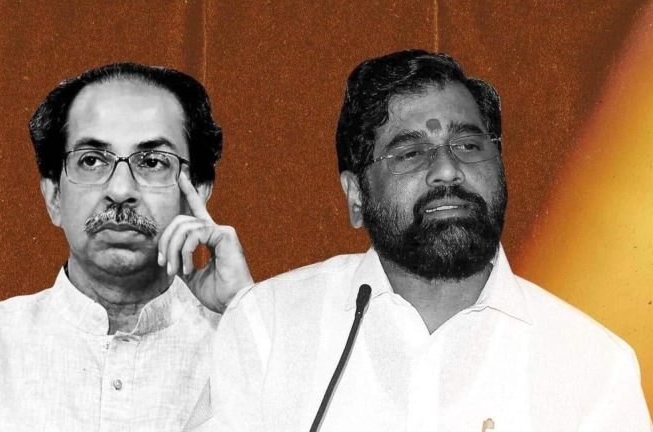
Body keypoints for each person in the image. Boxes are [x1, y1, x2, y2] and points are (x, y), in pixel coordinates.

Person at [198, 50, 651, 431]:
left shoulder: (592, 365)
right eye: (411, 153)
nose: (447, 170)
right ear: (356, 195)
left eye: (468, 146)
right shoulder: (270, 328)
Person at [0, 63, 253, 431]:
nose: (120, 190)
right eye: (91, 161)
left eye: (152, 162)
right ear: (54, 196)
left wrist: (245, 312)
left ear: (198, 192)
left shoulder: (249, 345)